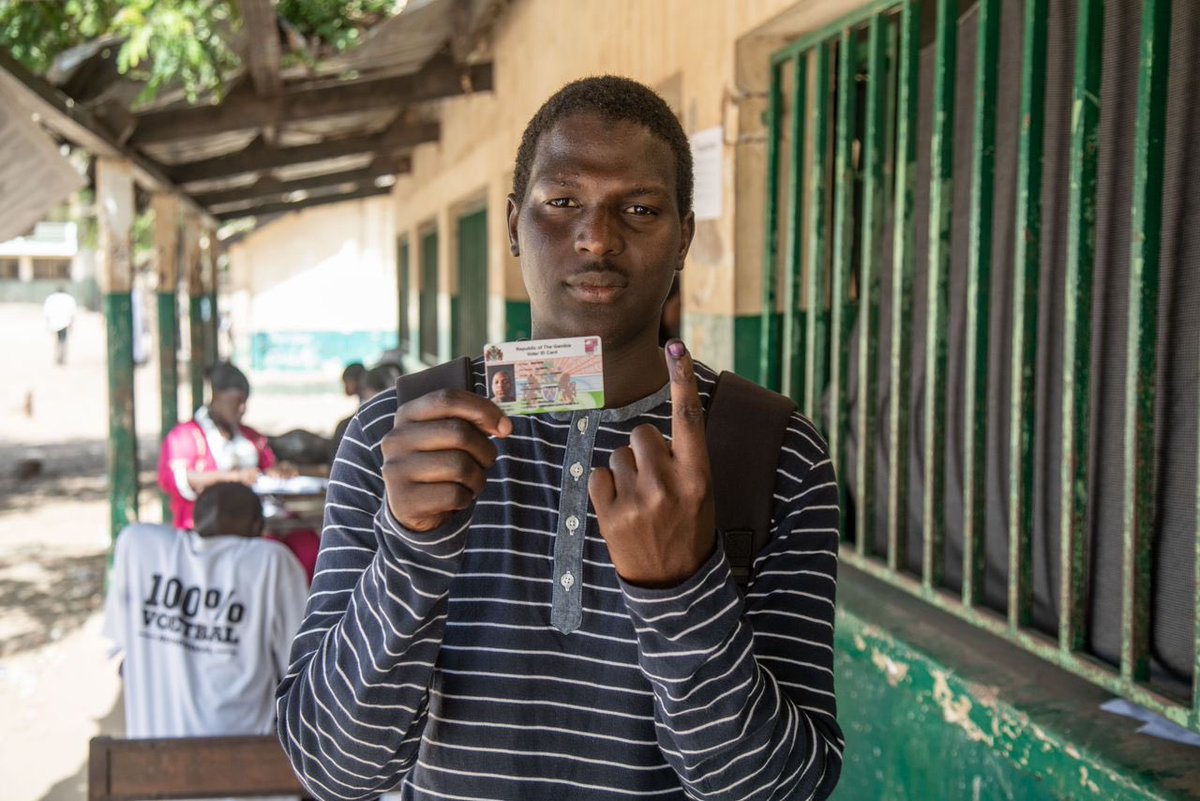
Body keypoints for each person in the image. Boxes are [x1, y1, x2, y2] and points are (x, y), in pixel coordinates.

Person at [276, 76, 843, 801]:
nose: (598, 237)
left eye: (638, 208)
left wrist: (681, 593)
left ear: (685, 237)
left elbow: (783, 791)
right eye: (561, 202)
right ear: (513, 224)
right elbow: (332, 771)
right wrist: (410, 553)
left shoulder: (776, 452)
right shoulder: (397, 435)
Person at [103, 482, 308, 739]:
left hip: (151, 756)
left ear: (195, 521)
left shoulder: (137, 545)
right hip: (243, 760)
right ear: (258, 528)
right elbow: (301, 666)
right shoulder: (271, 562)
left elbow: (122, 660)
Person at [158, 361, 291, 531]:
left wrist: (279, 471)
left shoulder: (250, 436)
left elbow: (268, 468)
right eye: (237, 401)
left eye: (245, 402)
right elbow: (180, 479)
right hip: (202, 529)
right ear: (217, 396)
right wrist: (234, 477)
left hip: (254, 525)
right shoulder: (186, 435)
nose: (243, 408)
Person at [42, 286, 76, 365]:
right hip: (65, 322)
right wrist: (72, 324)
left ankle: (58, 357)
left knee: (57, 340)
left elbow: (47, 312)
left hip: (54, 322)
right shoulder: (68, 298)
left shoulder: (51, 298)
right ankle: (62, 357)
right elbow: (72, 312)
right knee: (63, 340)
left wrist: (48, 323)